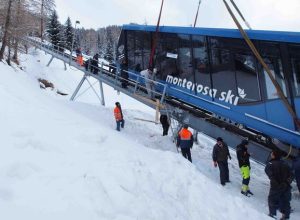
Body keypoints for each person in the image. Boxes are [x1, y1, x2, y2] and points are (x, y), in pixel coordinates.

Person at [265, 150, 293, 220]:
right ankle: (285, 216)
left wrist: (275, 182)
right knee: (285, 201)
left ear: (274, 155)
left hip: (275, 186)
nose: (271, 155)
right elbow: (292, 175)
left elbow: (268, 172)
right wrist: (286, 183)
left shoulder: (270, 164)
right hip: (286, 187)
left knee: (272, 199)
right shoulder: (285, 164)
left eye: (272, 154)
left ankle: (272, 214)